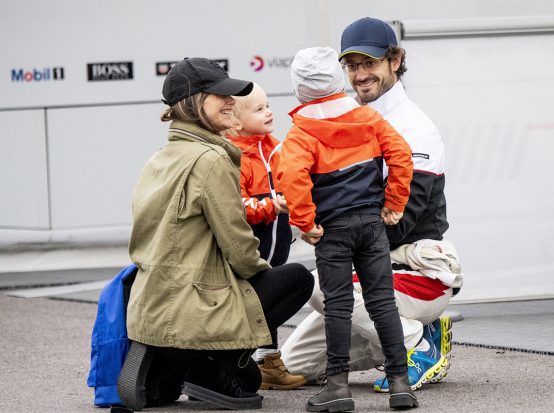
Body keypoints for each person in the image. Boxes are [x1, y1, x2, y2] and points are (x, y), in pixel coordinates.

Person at [119, 57, 314, 411]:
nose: (230, 102)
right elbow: (240, 251)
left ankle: (169, 362)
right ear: (192, 103)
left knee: (249, 376)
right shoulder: (211, 160)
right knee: (297, 279)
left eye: (231, 95)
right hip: (194, 308)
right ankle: (207, 362)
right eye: (218, 95)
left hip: (149, 305)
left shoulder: (159, 158)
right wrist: (263, 284)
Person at [280, 17, 464, 393]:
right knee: (292, 365)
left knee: (320, 285)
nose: (360, 75)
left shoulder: (415, 126)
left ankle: (418, 343)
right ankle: (393, 338)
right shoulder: (340, 113)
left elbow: (403, 220)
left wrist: (333, 235)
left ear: (395, 61)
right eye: (351, 65)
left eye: (370, 63)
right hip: (366, 265)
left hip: (416, 264)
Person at [278, 47, 417, 412]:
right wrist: (394, 203)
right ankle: (401, 382)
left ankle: (337, 387)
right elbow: (401, 154)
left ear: (299, 89)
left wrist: (305, 223)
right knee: (382, 302)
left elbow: (291, 177)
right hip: (372, 223)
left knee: (337, 306)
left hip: (332, 230)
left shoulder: (300, 133)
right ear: (338, 80)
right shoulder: (368, 118)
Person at [227, 83, 306, 390]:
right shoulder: (234, 156)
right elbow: (236, 205)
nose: (269, 112)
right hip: (250, 255)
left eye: (268, 105)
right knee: (256, 304)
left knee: (271, 301)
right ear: (235, 120)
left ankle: (268, 361)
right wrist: (271, 206)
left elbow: (294, 187)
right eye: (259, 109)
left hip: (278, 250)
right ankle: (246, 359)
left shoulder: (276, 148)